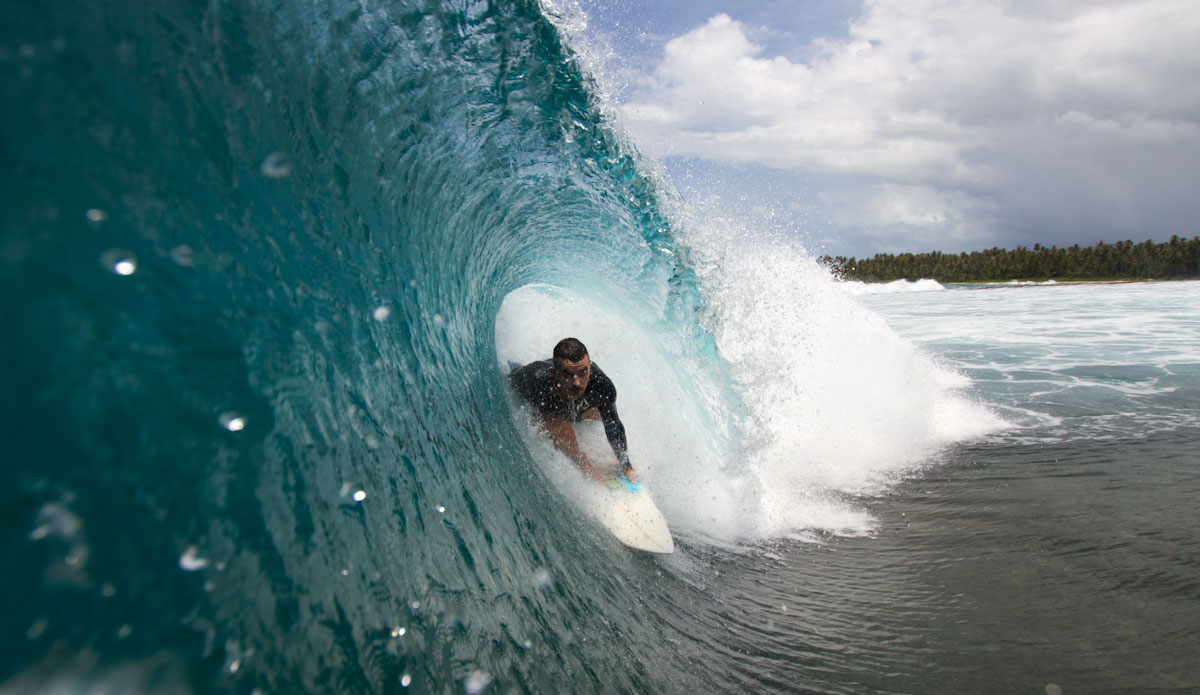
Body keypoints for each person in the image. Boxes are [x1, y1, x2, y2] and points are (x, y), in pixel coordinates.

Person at [509, 338, 637, 482]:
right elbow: (512, 379)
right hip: (550, 408)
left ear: (590, 366)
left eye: (583, 372)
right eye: (568, 374)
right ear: (554, 373)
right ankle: (585, 467)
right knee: (562, 429)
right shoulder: (537, 378)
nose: (577, 382)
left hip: (574, 407)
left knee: (600, 411)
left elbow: (613, 426)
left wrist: (626, 466)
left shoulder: (602, 385)